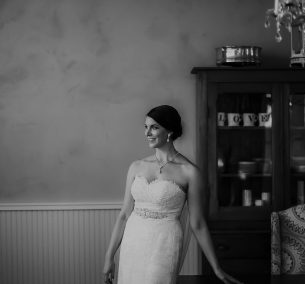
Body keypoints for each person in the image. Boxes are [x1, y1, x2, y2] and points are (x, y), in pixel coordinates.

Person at [103, 105, 243, 284]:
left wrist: (217, 268)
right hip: (133, 240)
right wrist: (109, 257)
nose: (147, 133)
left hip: (164, 243)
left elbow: (198, 224)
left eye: (154, 127)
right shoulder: (136, 166)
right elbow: (124, 215)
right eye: (146, 127)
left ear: (169, 131)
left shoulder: (189, 172)